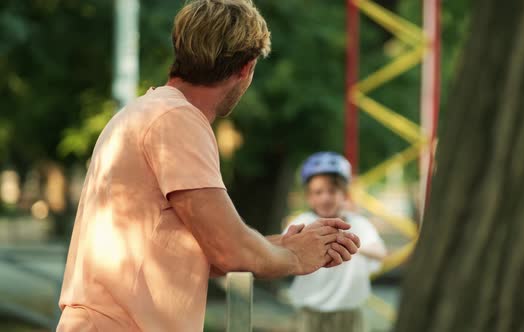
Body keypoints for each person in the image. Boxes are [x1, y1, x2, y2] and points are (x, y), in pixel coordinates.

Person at [56, 1, 361, 331]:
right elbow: (229, 250)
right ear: (246, 68)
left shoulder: (149, 112)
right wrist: (296, 258)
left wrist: (282, 245)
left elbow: (204, 249)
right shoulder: (177, 120)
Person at [284, 152, 387, 332]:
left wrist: (350, 244)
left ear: (345, 195)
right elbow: (284, 253)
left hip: (349, 313)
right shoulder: (302, 222)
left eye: (332, 191)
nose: (325, 198)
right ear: (309, 197)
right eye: (318, 192)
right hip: (309, 312)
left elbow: (380, 252)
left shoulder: (358, 224)